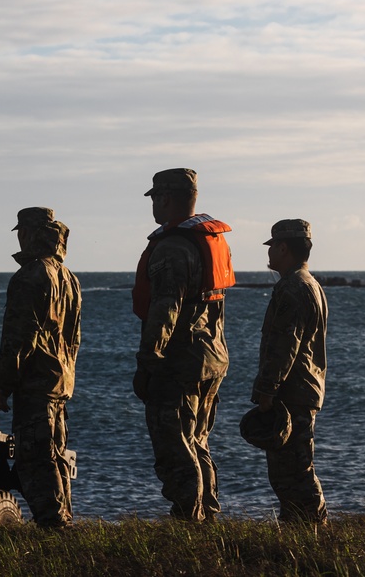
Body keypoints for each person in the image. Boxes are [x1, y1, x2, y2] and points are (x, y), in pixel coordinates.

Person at [131, 168, 233, 521]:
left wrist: (148, 363)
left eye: (157, 197)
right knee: (198, 442)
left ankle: (188, 517)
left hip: (179, 362)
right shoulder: (207, 241)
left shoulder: (172, 247)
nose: (154, 205)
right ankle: (207, 514)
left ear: (168, 198)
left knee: (174, 444)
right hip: (210, 358)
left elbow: (165, 311)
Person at [0, 206, 81, 528]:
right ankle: (63, 521)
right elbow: (73, 339)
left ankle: (52, 526)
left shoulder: (31, 276)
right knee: (55, 457)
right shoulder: (69, 279)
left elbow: (19, 338)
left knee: (35, 460)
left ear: (29, 234)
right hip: (59, 383)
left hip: (35, 385)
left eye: (20, 232)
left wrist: (4, 384)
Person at [251, 219, 328, 523]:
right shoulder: (310, 284)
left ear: (283, 248)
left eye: (273, 247)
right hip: (304, 390)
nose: (270, 254)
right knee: (294, 468)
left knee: (293, 471)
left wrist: (267, 389)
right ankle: (305, 531)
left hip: (293, 393)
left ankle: (309, 533)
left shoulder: (293, 287)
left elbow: (285, 344)